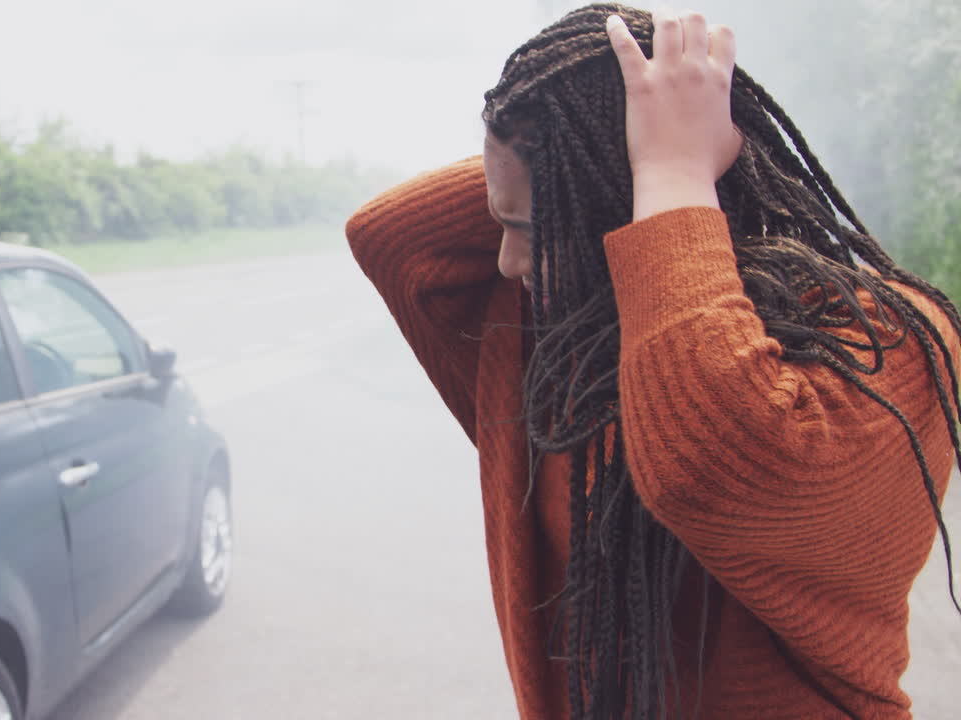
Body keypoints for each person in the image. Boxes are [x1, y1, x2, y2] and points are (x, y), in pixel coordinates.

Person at [346, 4, 960, 719]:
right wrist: (592, 125)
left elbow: (704, 467)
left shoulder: (893, 342)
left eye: (529, 229)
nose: (507, 261)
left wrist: (669, 168)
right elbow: (391, 237)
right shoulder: (569, 344)